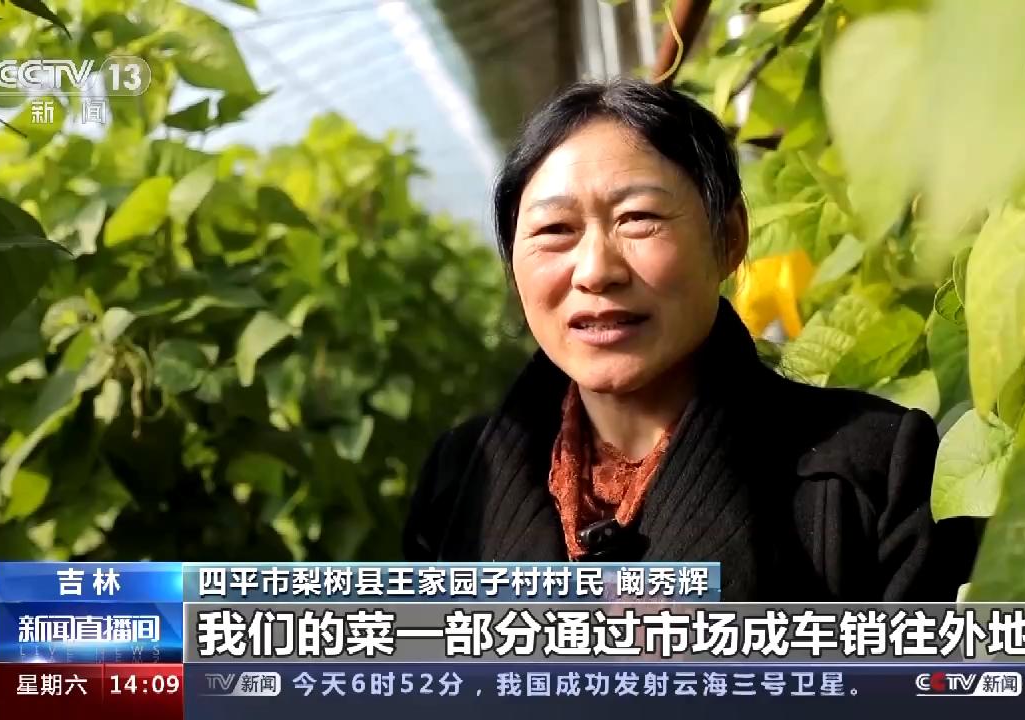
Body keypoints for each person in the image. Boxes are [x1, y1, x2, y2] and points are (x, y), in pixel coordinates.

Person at [402, 78, 975, 601]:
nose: (596, 271)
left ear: (729, 238)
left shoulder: (875, 472)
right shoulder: (461, 480)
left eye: (637, 218)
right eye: (555, 230)